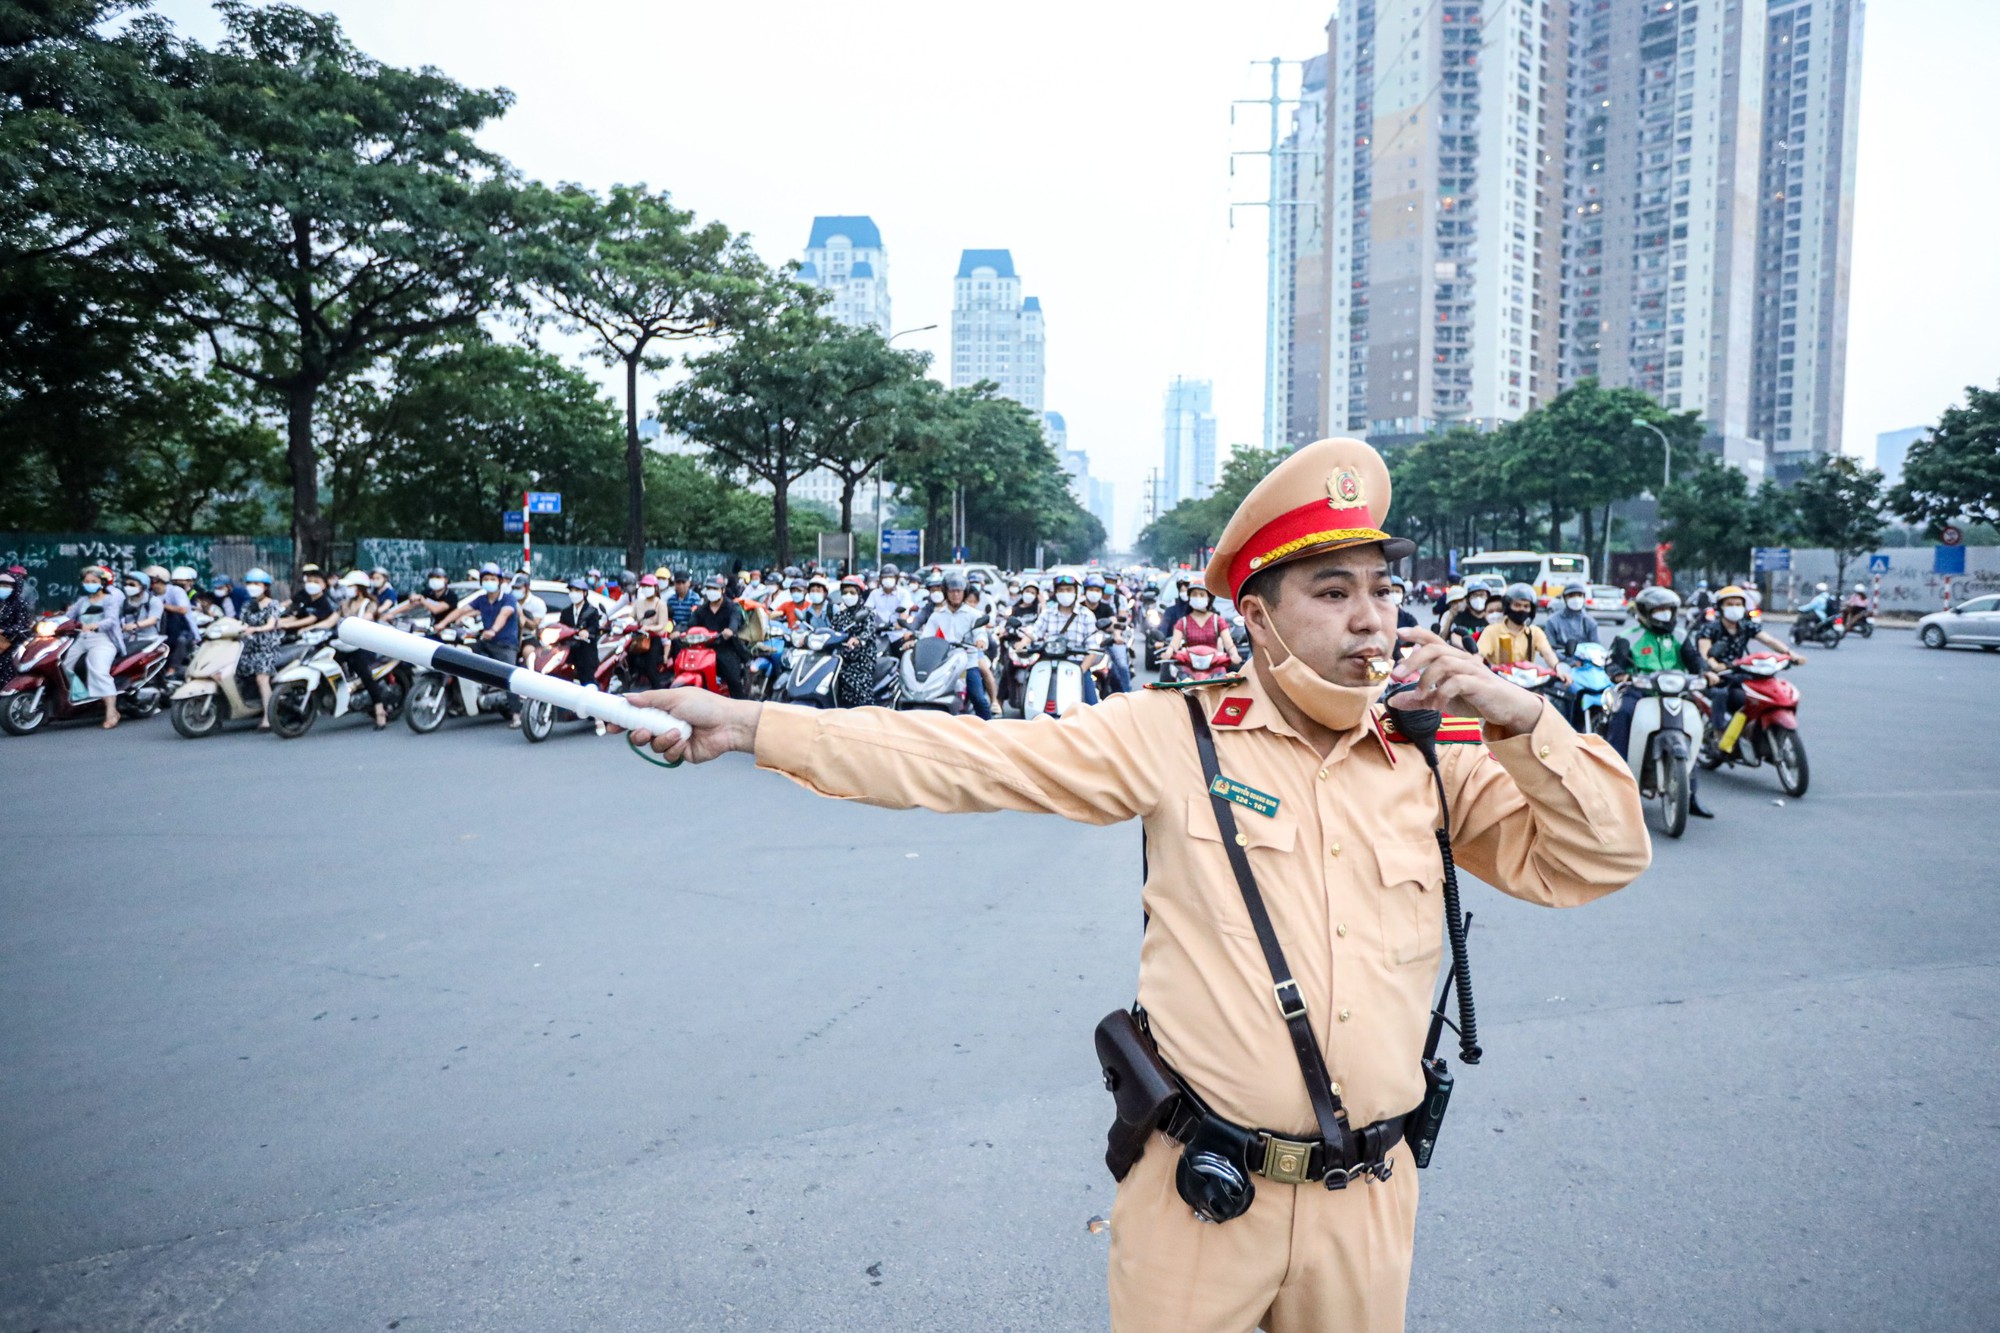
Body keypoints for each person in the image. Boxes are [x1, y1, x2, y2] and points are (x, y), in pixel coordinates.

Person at [626, 436, 1649, 1333]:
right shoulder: (1174, 733)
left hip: (1368, 1198)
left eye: (1380, 588)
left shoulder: (1437, 754)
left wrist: (1524, 724)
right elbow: (972, 758)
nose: (1369, 619)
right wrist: (754, 724)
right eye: (1330, 593)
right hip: (1201, 1195)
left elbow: (1594, 858)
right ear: (1257, 614)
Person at [1607, 586, 1715, 818]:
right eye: (1658, 610)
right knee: (1623, 713)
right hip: (1641, 692)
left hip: (1675, 692)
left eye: (1668, 610)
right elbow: (1613, 663)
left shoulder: (1680, 636)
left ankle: (1691, 795)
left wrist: (1706, 672)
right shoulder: (1628, 636)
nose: (1664, 614)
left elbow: (1694, 661)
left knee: (1692, 726)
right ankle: (1615, 780)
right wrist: (1620, 674)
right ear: (1645, 612)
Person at [1696, 585, 1804, 754]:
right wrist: (1714, 666)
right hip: (1719, 676)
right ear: (1721, 607)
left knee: (1760, 694)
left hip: (1741, 673)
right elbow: (1704, 653)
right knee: (1721, 694)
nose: (1735, 608)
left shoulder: (1747, 626)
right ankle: (1718, 733)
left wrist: (1790, 654)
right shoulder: (1710, 628)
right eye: (1730, 604)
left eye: (1738, 604)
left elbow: (1769, 641)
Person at [435, 563, 522, 727]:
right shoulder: (481, 599)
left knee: (509, 677)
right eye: (486, 579)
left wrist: (493, 630)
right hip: (486, 642)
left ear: (500, 581)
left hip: (505, 645)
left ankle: (516, 714)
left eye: (493, 579)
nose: (489, 581)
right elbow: (461, 610)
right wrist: (444, 623)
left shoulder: (508, 598)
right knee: (459, 656)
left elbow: (504, 615)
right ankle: (460, 701)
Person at [909, 571, 992, 718]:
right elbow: (926, 637)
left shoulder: (974, 615)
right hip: (943, 664)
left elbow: (980, 633)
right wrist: (915, 644)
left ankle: (989, 728)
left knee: (978, 698)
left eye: (959, 591)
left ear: (964, 592)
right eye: (952, 591)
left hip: (967, 663)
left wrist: (980, 641)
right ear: (945, 592)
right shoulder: (937, 615)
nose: (955, 595)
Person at [1022, 573, 1105, 704]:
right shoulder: (1048, 613)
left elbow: (1093, 649)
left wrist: (1080, 672)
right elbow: (1034, 632)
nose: (1064, 593)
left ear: (1077, 592)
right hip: (1049, 664)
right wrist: (1023, 643)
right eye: (1061, 590)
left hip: (1077, 665)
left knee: (1092, 709)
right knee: (1031, 699)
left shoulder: (1086, 615)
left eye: (1068, 590)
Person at [60, 566, 126, 729]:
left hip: (103, 639)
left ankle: (111, 711)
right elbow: (68, 617)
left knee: (98, 671)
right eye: (87, 581)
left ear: (102, 583)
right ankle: (80, 695)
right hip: (82, 639)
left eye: (94, 581)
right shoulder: (82, 601)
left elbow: (111, 620)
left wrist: (95, 625)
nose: (90, 584)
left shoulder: (110, 599)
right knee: (62, 666)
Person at [333, 571, 394, 729]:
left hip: (364, 645)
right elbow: (333, 619)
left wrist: (353, 622)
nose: (347, 590)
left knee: (365, 674)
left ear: (359, 588)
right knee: (331, 662)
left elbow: (367, 618)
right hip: (345, 643)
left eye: (350, 586)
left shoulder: (370, 603)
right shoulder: (345, 603)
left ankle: (380, 710)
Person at [1477, 583, 1569, 681]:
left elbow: (1547, 652)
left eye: (1526, 606)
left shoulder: (1534, 632)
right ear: (1508, 607)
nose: (1521, 609)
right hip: (1499, 683)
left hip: (1527, 684)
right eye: (1517, 605)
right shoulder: (1491, 631)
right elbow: (1479, 654)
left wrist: (1557, 669)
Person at [234, 568, 284, 729]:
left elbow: (270, 625)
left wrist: (255, 629)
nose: (252, 586)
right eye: (249, 583)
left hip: (267, 648)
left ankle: (268, 717)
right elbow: (239, 623)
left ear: (265, 586)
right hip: (247, 647)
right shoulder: (247, 605)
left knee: (261, 678)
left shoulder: (273, 604)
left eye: (256, 583)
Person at [687, 573, 750, 698]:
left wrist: (730, 631)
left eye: (715, 589)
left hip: (725, 647)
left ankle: (741, 706)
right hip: (703, 648)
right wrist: (679, 630)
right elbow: (691, 624)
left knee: (733, 680)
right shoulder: (701, 609)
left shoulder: (732, 607)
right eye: (709, 588)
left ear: (723, 590)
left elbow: (735, 621)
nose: (712, 591)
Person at [827, 574, 883, 708]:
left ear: (859, 594)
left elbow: (868, 631)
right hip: (840, 659)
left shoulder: (867, 613)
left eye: (852, 592)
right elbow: (831, 632)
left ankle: (867, 712)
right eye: (845, 592)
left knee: (858, 687)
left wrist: (858, 639)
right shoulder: (839, 616)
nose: (848, 595)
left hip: (861, 660)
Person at [1163, 582, 1242, 673]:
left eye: (1201, 595)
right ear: (1189, 598)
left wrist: (1234, 655)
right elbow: (1174, 644)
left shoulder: (1218, 620)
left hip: (1214, 667)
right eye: (1194, 594)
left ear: (1209, 598)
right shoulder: (1183, 622)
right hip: (1189, 668)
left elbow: (1229, 644)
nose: (1198, 597)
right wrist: (1168, 653)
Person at [1543, 581, 1600, 659]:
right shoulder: (1552, 621)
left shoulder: (1590, 622)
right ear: (1564, 598)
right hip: (1558, 664)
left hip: (1585, 664)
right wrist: (1567, 660)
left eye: (1579, 595)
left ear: (1584, 597)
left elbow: (1596, 649)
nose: (1576, 599)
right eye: (1571, 595)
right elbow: (1548, 649)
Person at [0, 568, 35, 681]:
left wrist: (5, 631)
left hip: (11, 643)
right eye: (1, 585)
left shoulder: (19, 604)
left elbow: (23, 626)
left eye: (7, 586)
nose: (3, 589)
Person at [389, 567, 457, 624]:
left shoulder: (450, 595)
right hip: (432, 625)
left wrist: (421, 599)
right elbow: (413, 604)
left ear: (446, 580)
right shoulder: (429, 593)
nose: (435, 580)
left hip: (448, 629)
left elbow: (436, 609)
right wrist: (391, 614)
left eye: (438, 577)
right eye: (432, 577)